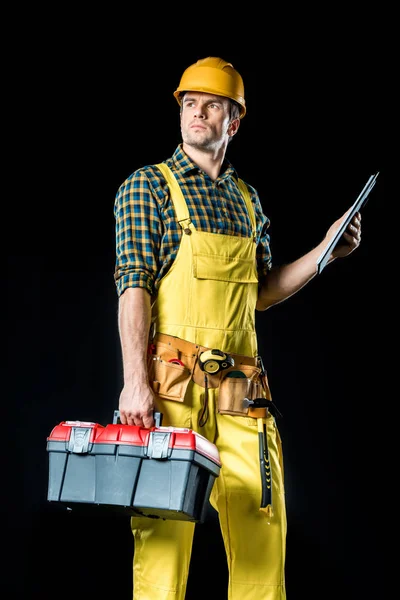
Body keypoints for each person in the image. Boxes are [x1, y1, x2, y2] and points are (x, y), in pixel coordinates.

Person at [113, 57, 362, 600]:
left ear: (234, 121)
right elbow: (134, 286)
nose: (197, 113)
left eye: (212, 105)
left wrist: (325, 252)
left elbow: (260, 293)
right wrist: (136, 382)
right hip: (172, 394)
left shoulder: (248, 201)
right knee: (162, 549)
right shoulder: (147, 188)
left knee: (261, 546)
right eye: (189, 103)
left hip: (242, 397)